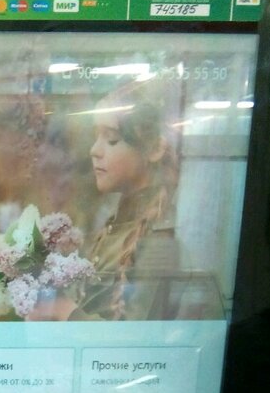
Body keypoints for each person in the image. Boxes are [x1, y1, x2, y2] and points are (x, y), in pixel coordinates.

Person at [36, 88, 180, 321]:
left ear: (154, 149)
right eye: (96, 137)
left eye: (111, 139)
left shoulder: (158, 241)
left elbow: (138, 337)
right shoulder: (116, 225)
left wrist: (65, 311)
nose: (94, 150)